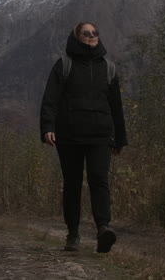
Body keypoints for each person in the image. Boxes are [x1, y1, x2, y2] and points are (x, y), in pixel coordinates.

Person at [40, 22, 128, 253]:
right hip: (69, 135)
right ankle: (73, 234)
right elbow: (51, 98)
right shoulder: (64, 65)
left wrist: (120, 138)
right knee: (72, 184)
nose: (91, 36)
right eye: (86, 33)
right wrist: (48, 126)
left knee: (99, 179)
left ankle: (103, 228)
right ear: (77, 37)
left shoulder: (108, 68)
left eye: (95, 33)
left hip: (100, 134)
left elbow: (116, 106)